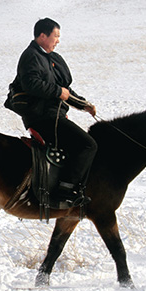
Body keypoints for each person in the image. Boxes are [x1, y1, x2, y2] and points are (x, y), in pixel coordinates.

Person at [6, 17, 97, 207]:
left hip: (53, 115)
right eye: (55, 36)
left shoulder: (50, 58)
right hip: (42, 117)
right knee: (88, 145)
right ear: (42, 36)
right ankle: (65, 191)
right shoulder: (31, 56)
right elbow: (32, 84)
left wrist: (83, 104)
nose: (58, 41)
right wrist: (58, 92)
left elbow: (65, 90)